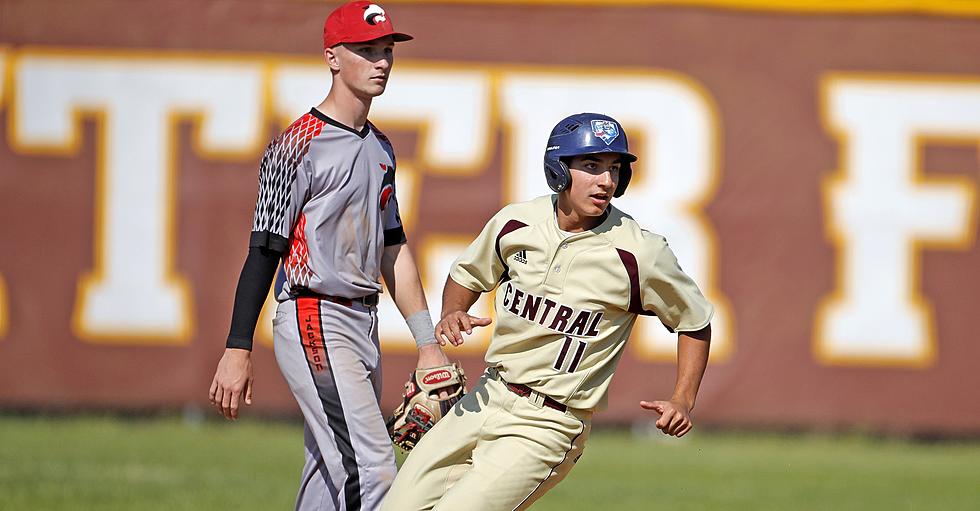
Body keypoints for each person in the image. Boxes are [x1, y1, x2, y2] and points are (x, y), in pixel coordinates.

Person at [382, 113, 713, 511]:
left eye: (614, 169)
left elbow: (695, 320)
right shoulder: (517, 222)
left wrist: (683, 398)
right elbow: (467, 275)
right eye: (591, 166)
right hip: (488, 394)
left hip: (548, 423)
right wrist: (453, 311)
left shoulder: (639, 253)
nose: (605, 181)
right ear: (558, 169)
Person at [207, 2, 452, 510]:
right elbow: (263, 251)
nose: (381, 61)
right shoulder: (298, 146)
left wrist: (427, 345)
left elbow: (394, 249)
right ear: (332, 57)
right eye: (366, 50)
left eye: (386, 50)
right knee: (374, 465)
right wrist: (237, 347)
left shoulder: (382, 148)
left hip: (362, 321)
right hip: (313, 313)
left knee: (327, 470)